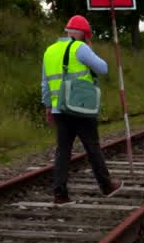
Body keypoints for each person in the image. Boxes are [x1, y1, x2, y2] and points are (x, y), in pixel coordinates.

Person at [41, 15, 123, 204]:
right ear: (83, 34)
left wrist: (48, 106)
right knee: (92, 146)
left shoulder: (49, 51)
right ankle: (106, 186)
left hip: (59, 109)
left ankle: (60, 194)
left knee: (63, 151)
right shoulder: (80, 48)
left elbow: (44, 84)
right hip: (80, 108)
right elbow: (102, 68)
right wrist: (90, 49)